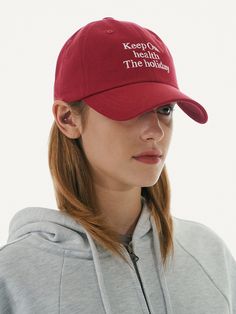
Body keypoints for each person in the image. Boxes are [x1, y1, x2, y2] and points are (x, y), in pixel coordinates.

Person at [0, 17, 235, 314]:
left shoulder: (209, 254)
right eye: (131, 107)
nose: (156, 131)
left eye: (164, 110)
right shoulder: (15, 276)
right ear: (68, 119)